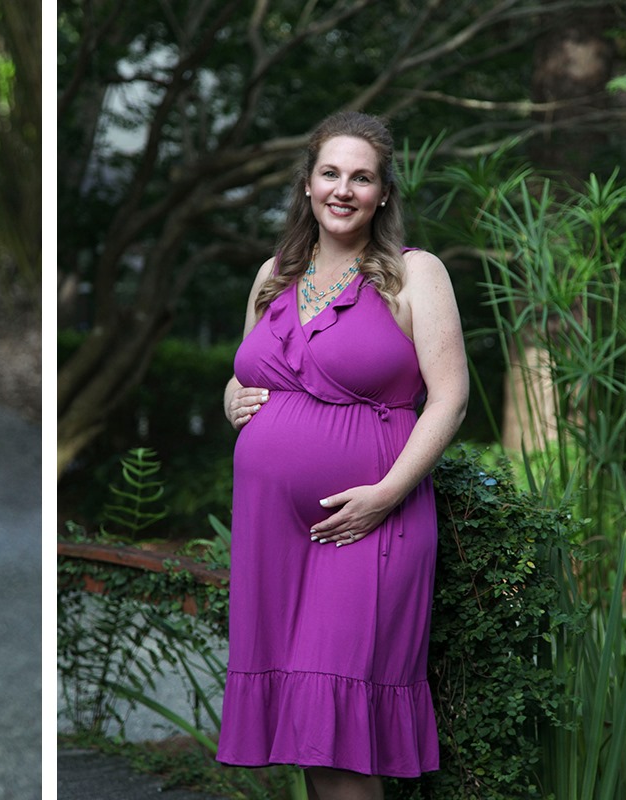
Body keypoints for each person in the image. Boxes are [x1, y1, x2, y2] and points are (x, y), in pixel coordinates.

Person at [215, 111, 468, 800]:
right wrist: (233, 399)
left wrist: (386, 494)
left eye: (363, 177)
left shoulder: (415, 276)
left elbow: (449, 399)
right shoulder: (274, 275)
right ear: (307, 184)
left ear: (384, 193)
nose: (344, 189)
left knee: (340, 736)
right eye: (331, 173)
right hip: (273, 530)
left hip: (369, 523)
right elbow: (249, 372)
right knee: (306, 727)